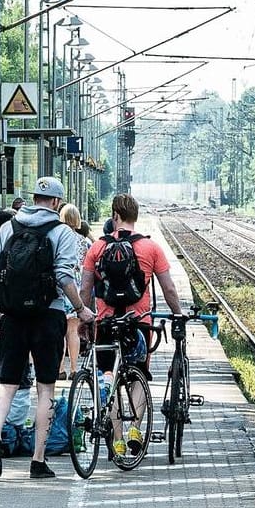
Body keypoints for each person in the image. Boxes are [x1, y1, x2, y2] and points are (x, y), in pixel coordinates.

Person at [0, 176, 96, 480]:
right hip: (48, 315)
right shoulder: (63, 232)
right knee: (45, 386)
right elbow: (64, 276)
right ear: (57, 203)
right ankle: (38, 459)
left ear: (33, 198)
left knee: (6, 383)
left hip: (12, 316)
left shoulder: (8, 227)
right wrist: (81, 309)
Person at [80, 193, 184, 458]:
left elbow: (85, 289)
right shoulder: (151, 248)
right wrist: (178, 314)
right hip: (139, 325)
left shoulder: (97, 247)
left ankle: (116, 440)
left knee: (109, 378)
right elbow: (169, 288)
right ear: (135, 216)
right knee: (139, 374)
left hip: (105, 324)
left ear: (114, 215)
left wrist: (84, 316)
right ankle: (135, 430)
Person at [58, 203, 91, 377]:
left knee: (60, 331)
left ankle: (60, 368)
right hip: (75, 287)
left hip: (61, 286)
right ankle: (74, 369)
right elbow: (85, 266)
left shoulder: (57, 237)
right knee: (73, 330)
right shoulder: (82, 241)